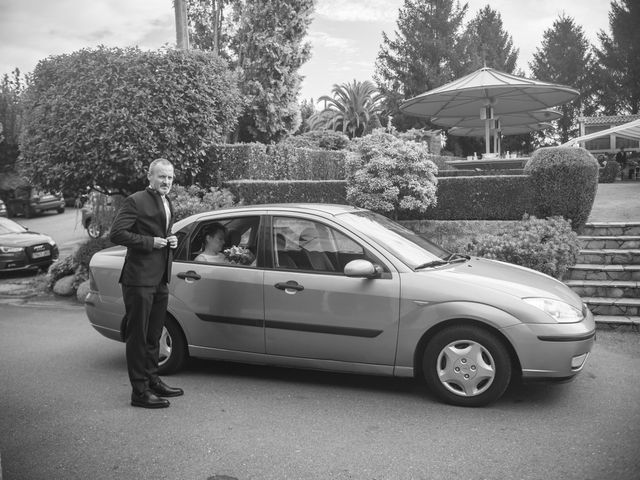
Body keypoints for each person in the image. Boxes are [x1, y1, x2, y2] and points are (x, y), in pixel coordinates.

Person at [109, 158, 183, 409]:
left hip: (161, 278)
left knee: (153, 335)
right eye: (162, 176)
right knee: (138, 337)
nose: (167, 182)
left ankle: (152, 380)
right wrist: (151, 242)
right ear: (149, 176)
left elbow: (162, 231)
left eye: (170, 177)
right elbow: (117, 233)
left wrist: (170, 240)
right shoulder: (135, 200)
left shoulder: (167, 201)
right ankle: (139, 392)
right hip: (139, 280)